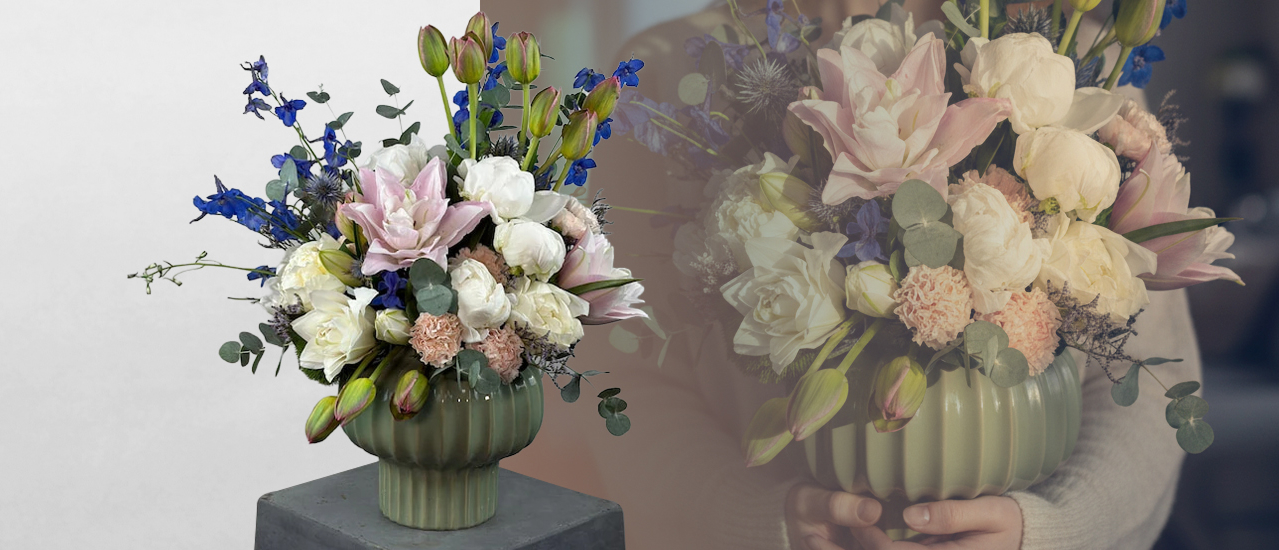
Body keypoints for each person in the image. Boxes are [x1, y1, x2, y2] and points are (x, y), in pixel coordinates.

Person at [500, 1, 1201, 548]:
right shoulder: (664, 74)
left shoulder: (1056, 67)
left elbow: (1144, 395)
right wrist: (759, 524)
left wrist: (1048, 533)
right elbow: (626, 374)